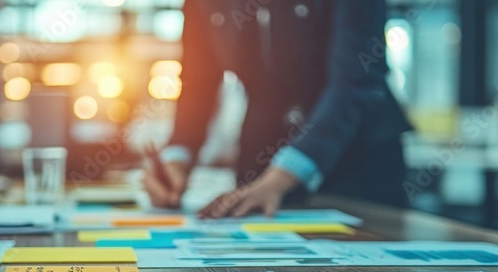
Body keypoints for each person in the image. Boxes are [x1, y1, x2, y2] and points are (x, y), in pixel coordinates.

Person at [143, 0, 412, 218]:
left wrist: (280, 178)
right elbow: (196, 85)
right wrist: (176, 161)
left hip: (356, 161)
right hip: (259, 162)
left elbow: (355, 79)